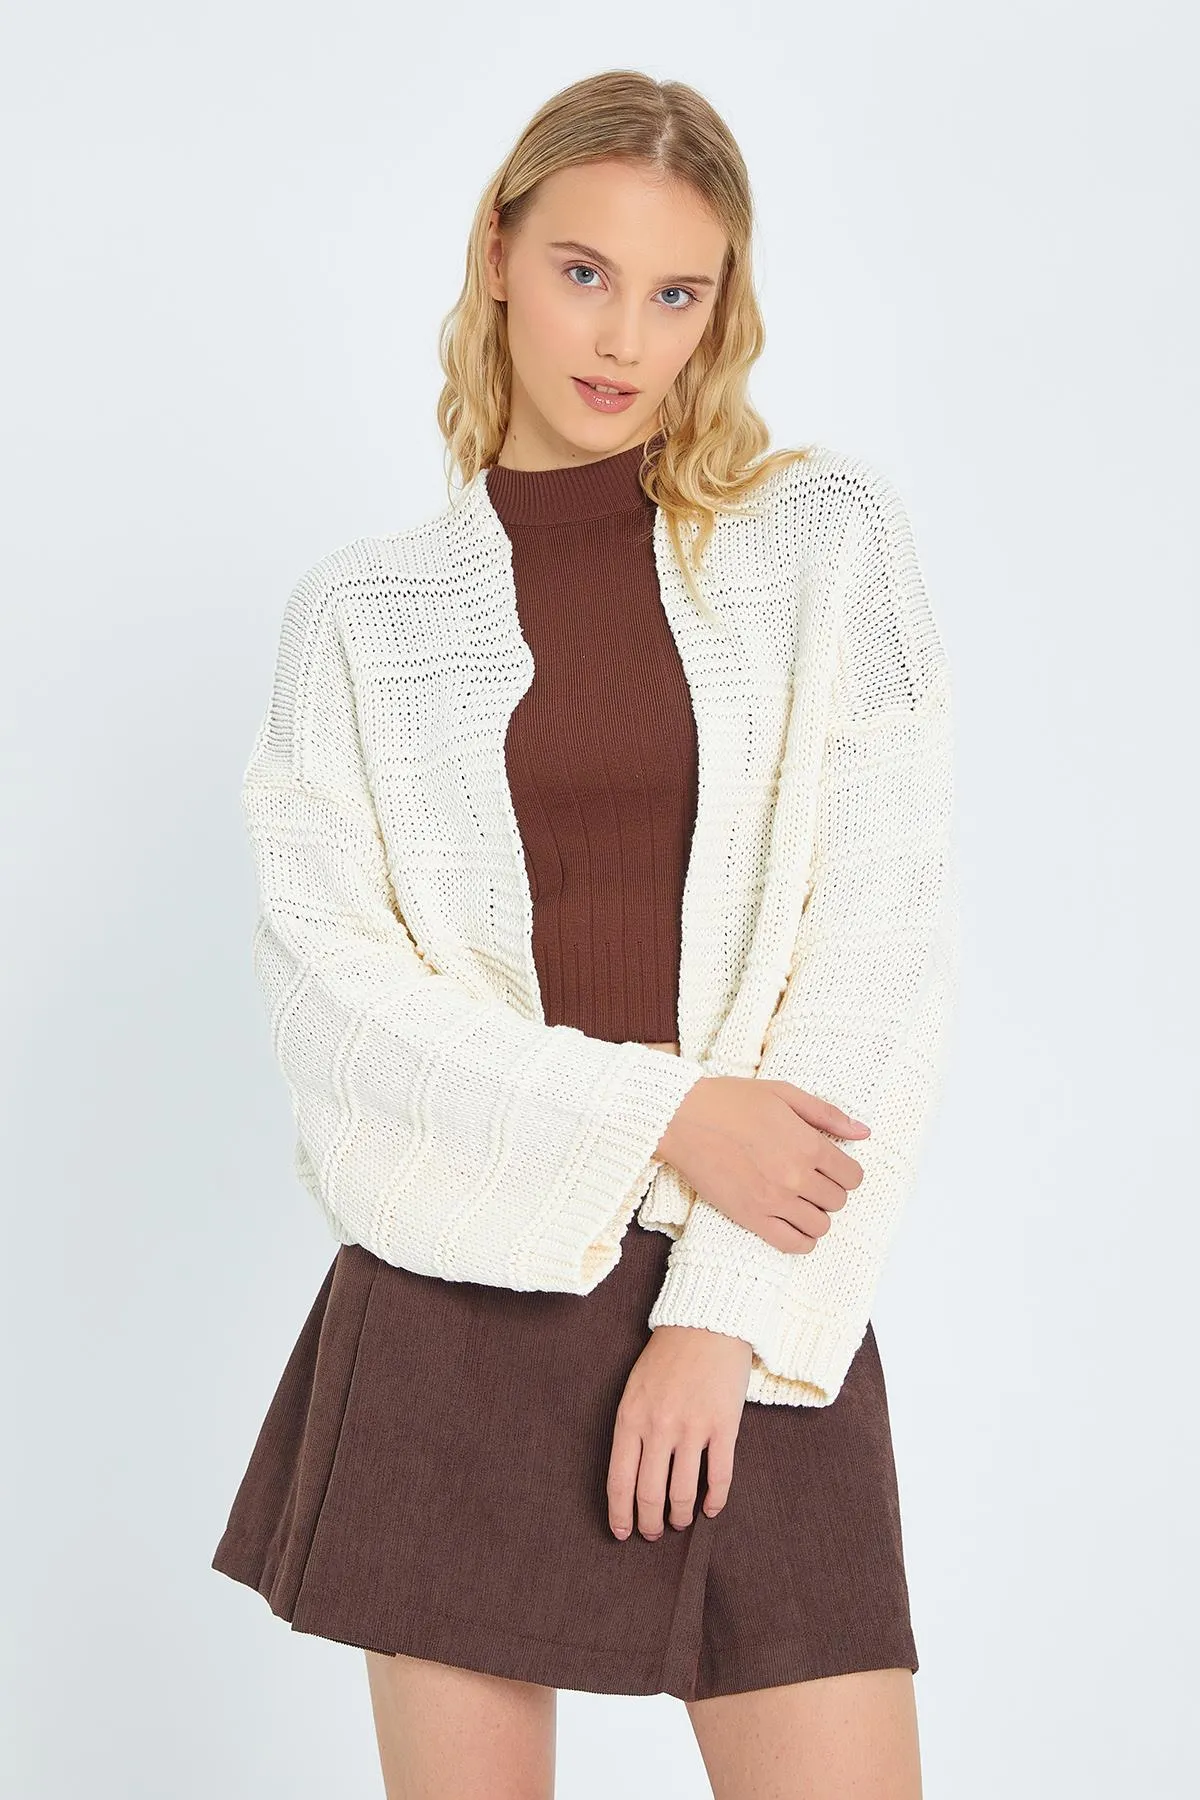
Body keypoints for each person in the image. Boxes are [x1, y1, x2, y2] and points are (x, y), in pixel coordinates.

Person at [211, 67, 958, 1800]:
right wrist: (665, 1111)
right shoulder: (359, 621)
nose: (626, 337)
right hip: (454, 1299)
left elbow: (881, 950)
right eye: (583, 272)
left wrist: (722, 1318)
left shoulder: (825, 545)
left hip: (762, 1282)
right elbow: (336, 1000)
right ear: (497, 253)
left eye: (678, 292)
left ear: (724, 306)